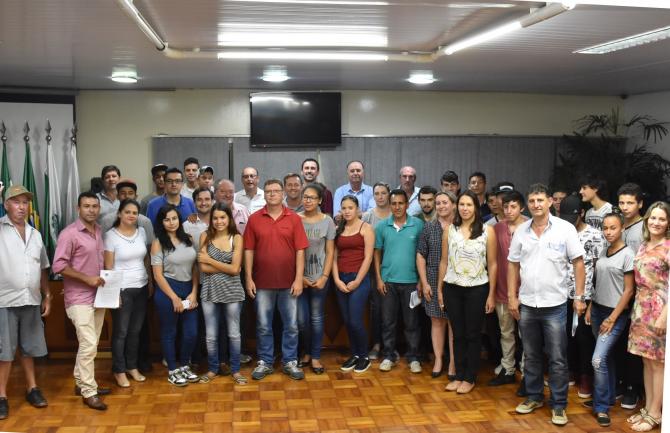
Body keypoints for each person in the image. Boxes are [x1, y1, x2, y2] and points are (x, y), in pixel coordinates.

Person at [508, 183, 586, 426]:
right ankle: (534, 397)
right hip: (528, 305)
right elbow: (513, 264)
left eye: (540, 200)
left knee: (557, 358)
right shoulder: (521, 231)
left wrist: (580, 297)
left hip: (555, 306)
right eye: (532, 201)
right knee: (531, 355)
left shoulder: (565, 229)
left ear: (550, 202)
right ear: (527, 204)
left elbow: (579, 263)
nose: (536, 205)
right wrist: (512, 297)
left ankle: (559, 404)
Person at [244, 179, 309, 381]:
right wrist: (248, 278)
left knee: (291, 326)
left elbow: (300, 251)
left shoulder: (294, 218)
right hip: (262, 283)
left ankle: (290, 361)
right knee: (264, 325)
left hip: (289, 283)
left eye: (276, 191)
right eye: (268, 191)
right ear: (264, 195)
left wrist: (299, 279)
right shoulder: (254, 219)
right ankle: (265, 361)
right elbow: (248, 250)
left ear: (283, 194)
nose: (272, 194)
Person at [52, 191, 110, 410]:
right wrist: (87, 279)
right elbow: (59, 265)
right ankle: (88, 391)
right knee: (88, 344)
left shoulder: (99, 231)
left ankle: (81, 382)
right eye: (87, 206)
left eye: (95, 206)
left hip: (99, 297)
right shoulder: (69, 234)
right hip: (78, 298)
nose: (91, 210)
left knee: (91, 343)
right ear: (78, 209)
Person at [437, 190, 497, 394]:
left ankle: (470, 377)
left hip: (477, 289)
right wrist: (440, 289)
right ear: (457, 207)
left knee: (473, 334)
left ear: (476, 208)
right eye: (462, 204)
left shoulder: (487, 231)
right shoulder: (450, 230)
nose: (465, 208)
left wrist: (491, 294)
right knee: (458, 334)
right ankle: (459, 374)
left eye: (469, 205)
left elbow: (493, 264)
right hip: (452, 288)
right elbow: (444, 262)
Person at [0, 185, 52, 420]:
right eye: (16, 202)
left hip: (31, 299)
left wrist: (47, 295)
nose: (22, 207)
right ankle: (1, 396)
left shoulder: (35, 234)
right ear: (6, 205)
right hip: (4, 300)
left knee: (29, 348)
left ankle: (32, 388)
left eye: (25, 202)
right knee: (5, 351)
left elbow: (43, 267)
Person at [583, 212, 635, 427]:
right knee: (606, 357)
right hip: (597, 310)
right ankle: (608, 395)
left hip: (615, 314)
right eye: (605, 228)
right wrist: (590, 306)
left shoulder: (628, 254)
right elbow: (599, 283)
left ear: (621, 228)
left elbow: (629, 291)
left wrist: (612, 318)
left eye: (613, 227)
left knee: (597, 359)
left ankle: (602, 406)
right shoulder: (604, 250)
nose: (608, 232)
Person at [626, 202, 670, 432]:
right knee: (646, 360)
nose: (656, 222)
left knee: (658, 364)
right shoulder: (644, 245)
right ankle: (648, 408)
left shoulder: (668, 247)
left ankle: (656, 413)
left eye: (662, 219)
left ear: (668, 223)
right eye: (653, 218)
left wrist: (664, 316)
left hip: (660, 309)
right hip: (641, 308)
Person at [560, 194, 606, 400]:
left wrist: (591, 302)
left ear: (582, 213)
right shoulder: (560, 232)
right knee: (565, 336)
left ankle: (586, 376)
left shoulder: (595, 235)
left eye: (573, 217)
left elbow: (598, 270)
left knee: (584, 338)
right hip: (562, 293)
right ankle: (570, 370)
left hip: (585, 295)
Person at [374, 189, 424, 373]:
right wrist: (379, 279)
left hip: (412, 282)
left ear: (407, 205)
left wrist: (421, 280)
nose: (397, 207)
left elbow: (423, 254)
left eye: (400, 203)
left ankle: (413, 357)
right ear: (390, 205)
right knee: (388, 322)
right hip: (388, 282)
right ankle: (389, 356)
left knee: (412, 323)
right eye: (393, 203)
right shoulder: (382, 226)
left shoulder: (418, 225)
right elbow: (376, 254)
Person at [197, 203, 247, 384]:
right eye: (215, 218)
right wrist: (227, 267)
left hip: (233, 291)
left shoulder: (237, 238)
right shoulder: (205, 236)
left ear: (229, 218)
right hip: (209, 291)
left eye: (223, 217)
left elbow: (235, 269)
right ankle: (212, 369)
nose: (219, 221)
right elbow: (203, 268)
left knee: (234, 334)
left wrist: (210, 260)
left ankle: (235, 370)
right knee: (211, 335)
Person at [151, 205, 200, 387]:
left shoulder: (188, 239)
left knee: (191, 332)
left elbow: (194, 268)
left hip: (188, 289)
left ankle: (185, 365)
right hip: (167, 290)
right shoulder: (158, 243)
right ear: (161, 222)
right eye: (166, 219)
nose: (171, 223)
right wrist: (173, 298)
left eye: (174, 218)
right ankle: (173, 370)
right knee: (169, 332)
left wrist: (194, 293)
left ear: (179, 220)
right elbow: (157, 275)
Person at [104, 199, 150, 388]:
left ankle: (132, 366)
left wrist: (150, 282)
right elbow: (108, 266)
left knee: (135, 331)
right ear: (119, 214)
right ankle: (119, 370)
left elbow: (145, 259)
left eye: (134, 213)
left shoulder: (142, 232)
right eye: (127, 212)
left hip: (142, 286)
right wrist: (113, 293)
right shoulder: (110, 236)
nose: (131, 215)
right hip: (122, 290)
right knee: (121, 332)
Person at [489, 190, 527, 387]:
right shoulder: (496, 228)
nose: (509, 210)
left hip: (526, 292)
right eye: (506, 207)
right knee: (506, 333)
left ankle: (527, 374)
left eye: (513, 206)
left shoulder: (530, 227)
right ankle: (508, 369)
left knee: (526, 336)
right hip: (502, 290)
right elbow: (492, 260)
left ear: (522, 207)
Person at [417, 191, 457, 379]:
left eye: (444, 202)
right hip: (432, 278)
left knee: (454, 323)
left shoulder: (461, 226)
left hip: (456, 279)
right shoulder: (429, 227)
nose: (441, 206)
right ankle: (439, 360)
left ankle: (453, 362)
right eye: (438, 203)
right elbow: (420, 255)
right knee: (436, 320)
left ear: (453, 204)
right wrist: (424, 282)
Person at [333, 195, 374, 373]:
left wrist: (357, 281)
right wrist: (336, 280)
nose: (347, 211)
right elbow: (333, 257)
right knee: (348, 321)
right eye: (344, 208)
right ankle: (355, 354)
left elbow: (368, 258)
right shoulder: (338, 229)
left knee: (356, 320)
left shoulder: (366, 228)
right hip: (341, 279)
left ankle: (364, 356)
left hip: (360, 279)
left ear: (357, 209)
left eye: (350, 208)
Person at [298, 184, 336, 374]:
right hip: (299, 278)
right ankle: (306, 351)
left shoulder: (327, 221)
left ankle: (315, 356)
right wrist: (299, 278)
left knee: (316, 318)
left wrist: (324, 277)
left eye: (312, 197)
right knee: (301, 320)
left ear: (320, 200)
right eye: (305, 197)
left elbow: (330, 252)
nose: (308, 200)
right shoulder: (296, 219)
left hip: (320, 277)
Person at [617, 182, 645, 409]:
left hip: (638, 294)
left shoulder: (645, 228)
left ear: (640, 204)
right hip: (617, 293)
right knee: (619, 342)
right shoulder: (618, 225)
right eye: (622, 202)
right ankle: (620, 383)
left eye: (630, 203)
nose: (625, 207)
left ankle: (632, 389)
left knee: (633, 344)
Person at [362, 182, 391, 360]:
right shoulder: (367, 216)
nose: (380, 196)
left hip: (394, 267)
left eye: (383, 193)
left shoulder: (396, 214)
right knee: (377, 308)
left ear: (389, 194)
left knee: (393, 309)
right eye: (377, 193)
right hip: (374, 269)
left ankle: (391, 346)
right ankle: (377, 343)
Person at [100, 179, 154, 245]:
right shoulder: (107, 220)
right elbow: (103, 245)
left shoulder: (145, 221)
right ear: (117, 196)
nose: (127, 196)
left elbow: (150, 245)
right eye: (123, 193)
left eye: (130, 193)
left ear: (136, 196)